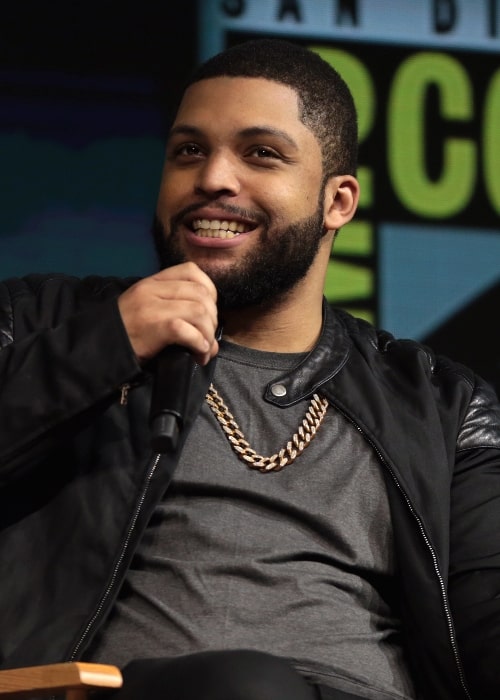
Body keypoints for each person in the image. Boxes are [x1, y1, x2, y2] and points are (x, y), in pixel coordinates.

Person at [0, 38, 499, 700]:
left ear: (337, 202)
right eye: (189, 152)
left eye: (261, 153)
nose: (211, 178)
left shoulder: (440, 405)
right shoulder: (41, 320)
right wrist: (103, 347)